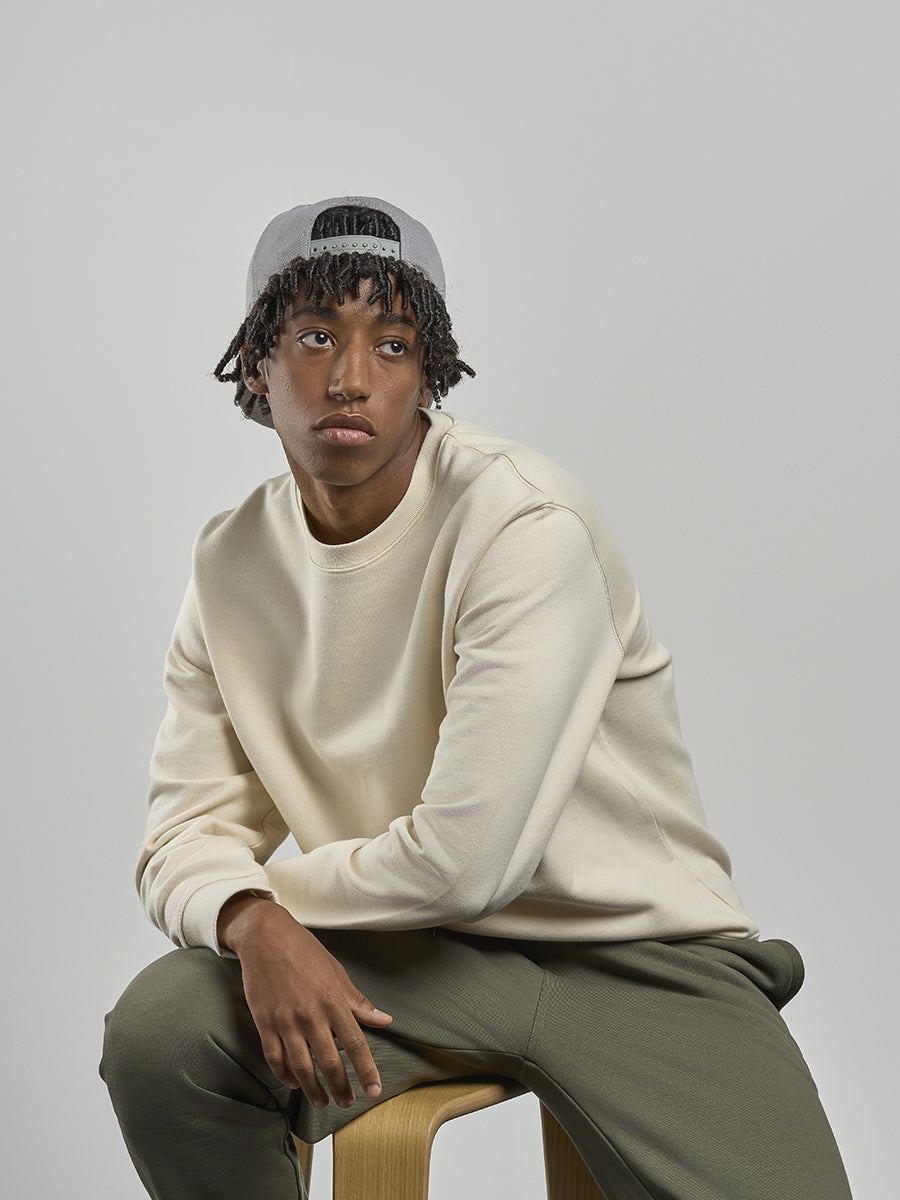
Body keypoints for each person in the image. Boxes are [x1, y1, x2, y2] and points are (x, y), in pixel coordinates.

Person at [101, 196, 852, 1200]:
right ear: (254, 363)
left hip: (633, 960)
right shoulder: (229, 566)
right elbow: (180, 834)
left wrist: (261, 905)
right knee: (165, 1034)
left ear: (430, 375)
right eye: (316, 335)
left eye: (393, 344)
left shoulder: (523, 527)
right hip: (405, 960)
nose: (351, 376)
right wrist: (244, 918)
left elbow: (464, 864)